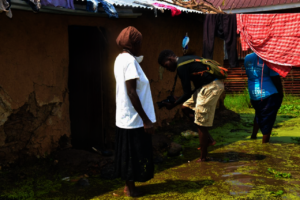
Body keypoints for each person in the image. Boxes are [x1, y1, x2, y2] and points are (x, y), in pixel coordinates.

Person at [157, 50, 224, 162]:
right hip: (203, 87)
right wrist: (179, 99)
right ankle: (208, 139)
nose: (167, 68)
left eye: (166, 65)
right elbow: (190, 90)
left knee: (200, 122)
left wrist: (173, 104)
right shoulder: (185, 61)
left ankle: (203, 157)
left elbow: (187, 93)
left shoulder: (181, 66)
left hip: (211, 86)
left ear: (170, 59)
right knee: (185, 107)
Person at [114, 26, 156, 197]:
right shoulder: (129, 62)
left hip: (126, 116)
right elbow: (132, 92)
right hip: (134, 118)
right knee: (133, 153)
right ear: (135, 43)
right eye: (140, 43)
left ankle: (128, 186)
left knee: (128, 152)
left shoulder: (120, 59)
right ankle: (131, 189)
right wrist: (146, 119)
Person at [244, 53, 283, 143]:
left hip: (253, 92)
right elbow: (276, 79)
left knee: (259, 114)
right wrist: (281, 94)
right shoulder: (268, 58)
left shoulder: (247, 57)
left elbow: (250, 74)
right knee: (268, 120)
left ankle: (253, 136)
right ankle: (265, 144)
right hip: (268, 93)